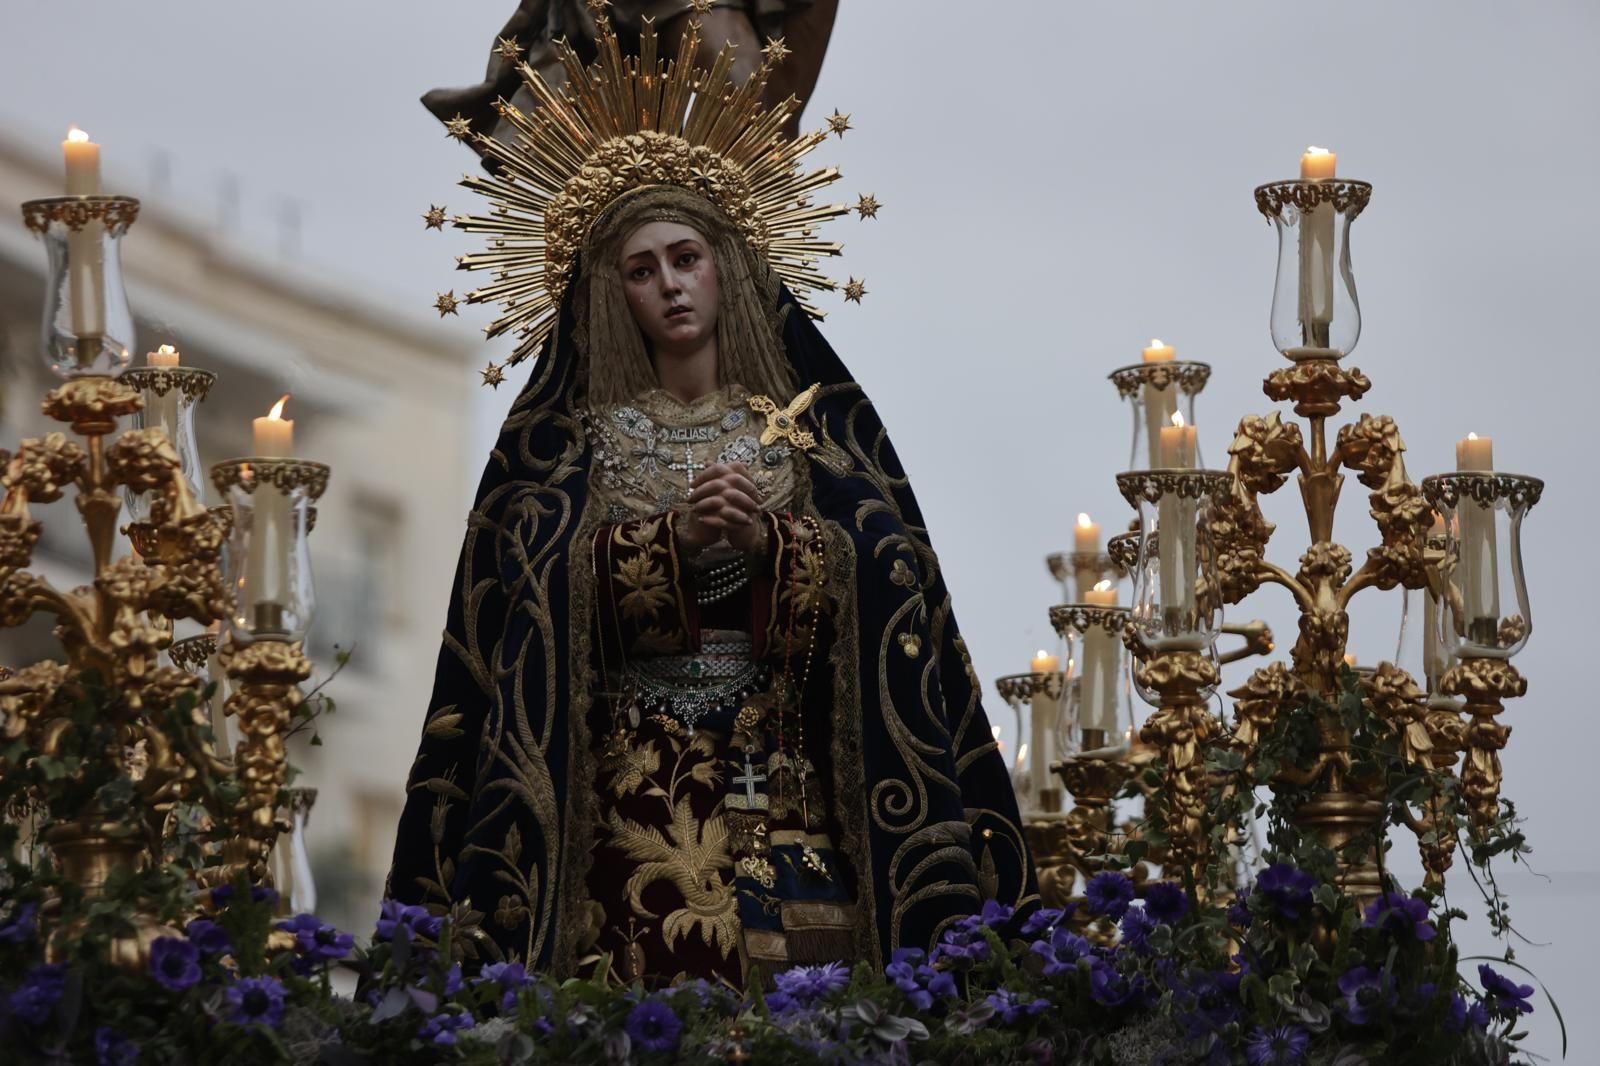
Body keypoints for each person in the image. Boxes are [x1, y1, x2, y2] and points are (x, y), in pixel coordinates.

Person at [386, 14, 1034, 986]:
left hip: (787, 807)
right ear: (610, 293)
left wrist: (780, 550)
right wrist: (656, 550)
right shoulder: (567, 452)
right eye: (640, 270)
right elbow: (512, 620)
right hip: (616, 831)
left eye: (684, 258)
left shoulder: (817, 437)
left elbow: (892, 588)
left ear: (724, 265)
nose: (670, 288)